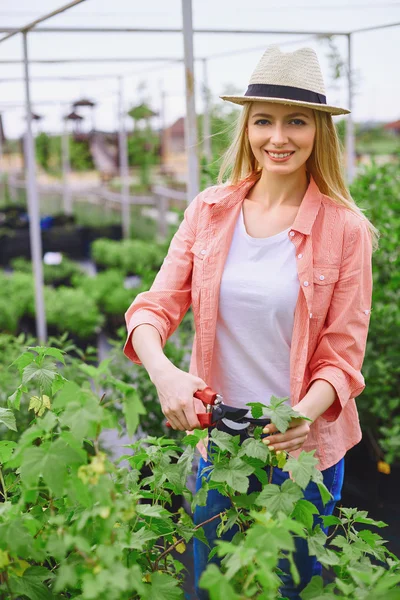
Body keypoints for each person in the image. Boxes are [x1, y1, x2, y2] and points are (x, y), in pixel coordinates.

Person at [123, 45, 378, 600]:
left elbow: (343, 352)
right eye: (264, 120)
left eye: (296, 121)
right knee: (214, 585)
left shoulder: (346, 230)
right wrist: (164, 374)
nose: (278, 137)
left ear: (320, 132)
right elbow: (154, 306)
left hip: (301, 448)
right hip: (222, 442)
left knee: (286, 585)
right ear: (247, 127)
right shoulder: (210, 211)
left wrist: (303, 415)